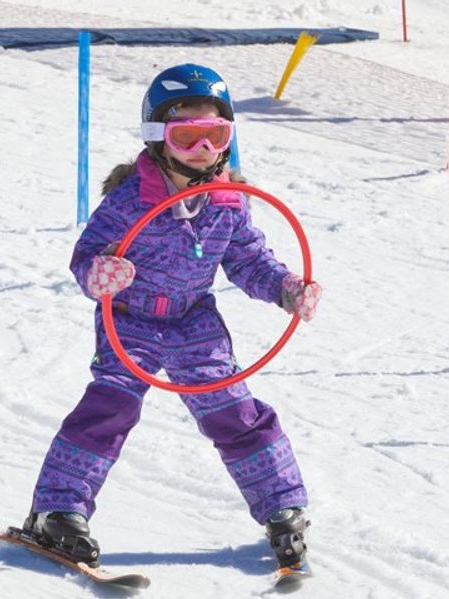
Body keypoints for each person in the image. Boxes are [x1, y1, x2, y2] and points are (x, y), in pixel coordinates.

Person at [22, 63, 322, 571]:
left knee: (232, 409)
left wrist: (286, 289)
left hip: (193, 320)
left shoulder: (229, 201)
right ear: (159, 137)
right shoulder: (129, 201)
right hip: (131, 317)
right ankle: (59, 509)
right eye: (188, 136)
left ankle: (282, 506)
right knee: (110, 407)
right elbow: (87, 257)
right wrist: (102, 274)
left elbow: (248, 259)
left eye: (216, 136)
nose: (204, 151)